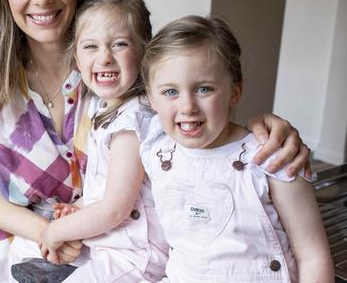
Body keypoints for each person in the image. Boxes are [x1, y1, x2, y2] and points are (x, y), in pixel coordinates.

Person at [0, 0, 309, 282]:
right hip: (29, 244)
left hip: (128, 250)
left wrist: (265, 129)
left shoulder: (118, 76)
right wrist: (46, 232)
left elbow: (198, 105)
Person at [139, 15, 333, 282]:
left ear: (235, 91)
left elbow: (313, 256)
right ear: (150, 97)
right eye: (170, 92)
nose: (187, 107)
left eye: (204, 89)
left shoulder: (273, 156)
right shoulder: (155, 147)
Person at [38, 0, 168, 282]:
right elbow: (107, 190)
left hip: (136, 256)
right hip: (112, 245)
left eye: (119, 44)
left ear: (145, 53)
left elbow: (114, 209)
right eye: (91, 47)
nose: (105, 57)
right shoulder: (104, 107)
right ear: (76, 59)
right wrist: (79, 208)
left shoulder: (133, 121)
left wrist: (55, 231)